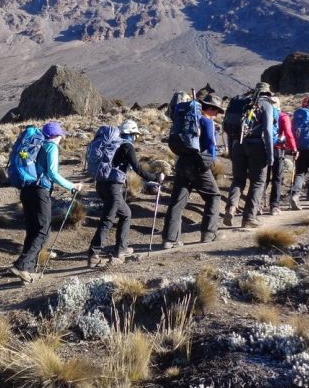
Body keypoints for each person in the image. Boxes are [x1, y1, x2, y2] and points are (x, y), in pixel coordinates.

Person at [10, 122, 82, 283]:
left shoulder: (38, 145)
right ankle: (22, 265)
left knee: (33, 229)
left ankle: (26, 269)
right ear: (56, 136)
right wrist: (72, 186)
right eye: (60, 135)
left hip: (26, 190)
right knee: (43, 230)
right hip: (40, 191)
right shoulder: (51, 147)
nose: (61, 139)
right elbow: (52, 173)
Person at [88, 120, 162, 267]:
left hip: (101, 185)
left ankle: (121, 249)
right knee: (107, 219)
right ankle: (93, 254)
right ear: (132, 134)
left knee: (126, 213)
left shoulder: (111, 143)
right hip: (113, 188)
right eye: (135, 135)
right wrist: (156, 178)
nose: (136, 138)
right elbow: (138, 169)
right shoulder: (127, 146)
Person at [161, 94, 224, 248]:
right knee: (214, 196)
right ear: (211, 108)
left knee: (177, 201)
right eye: (217, 111)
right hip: (198, 162)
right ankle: (209, 233)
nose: (217, 114)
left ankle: (169, 239)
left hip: (182, 161)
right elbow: (210, 143)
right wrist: (212, 160)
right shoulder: (206, 121)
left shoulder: (186, 120)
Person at [223, 82, 275, 228]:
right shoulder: (266, 105)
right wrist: (271, 156)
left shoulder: (241, 103)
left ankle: (231, 207)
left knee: (238, 180)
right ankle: (249, 218)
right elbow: (268, 132)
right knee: (258, 182)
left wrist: (232, 150)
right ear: (267, 93)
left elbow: (228, 129)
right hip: (257, 146)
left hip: (237, 145)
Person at [267, 96, 297, 215]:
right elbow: (289, 134)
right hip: (278, 150)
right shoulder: (283, 116)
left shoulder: (261, 114)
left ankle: (257, 206)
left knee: (262, 179)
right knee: (277, 178)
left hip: (263, 149)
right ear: (278, 105)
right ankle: (274, 206)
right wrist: (294, 148)